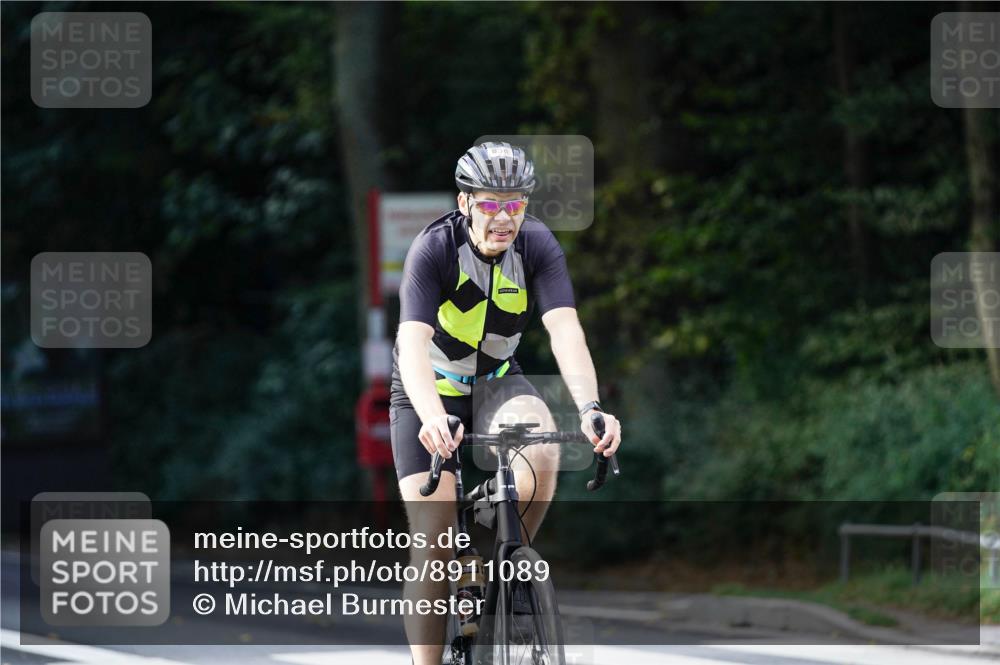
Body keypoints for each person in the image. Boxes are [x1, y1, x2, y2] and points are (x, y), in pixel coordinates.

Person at [390, 141, 622, 665]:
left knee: (542, 450)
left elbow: (564, 329)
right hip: (428, 387)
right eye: (491, 203)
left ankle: (505, 562)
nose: (504, 217)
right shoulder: (434, 249)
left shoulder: (537, 244)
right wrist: (431, 419)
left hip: (498, 380)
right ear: (465, 201)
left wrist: (590, 409)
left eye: (514, 203)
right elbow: (410, 344)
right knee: (434, 539)